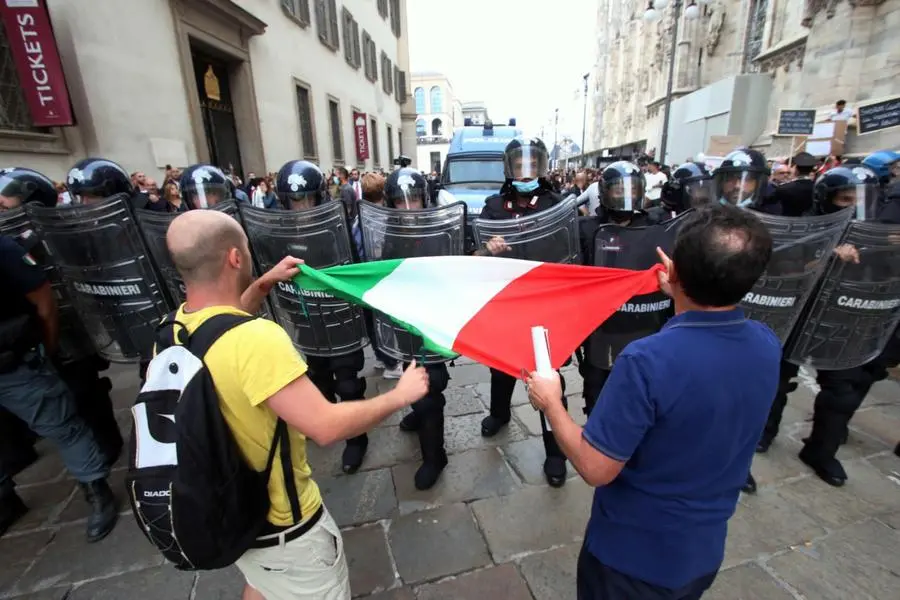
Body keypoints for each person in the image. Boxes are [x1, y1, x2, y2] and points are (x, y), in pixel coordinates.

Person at [164, 209, 428, 599]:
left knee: (261, 583)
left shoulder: (174, 329)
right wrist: (398, 396)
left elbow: (221, 327)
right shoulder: (257, 340)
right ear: (235, 258)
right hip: (285, 526)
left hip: (228, 511)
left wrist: (264, 283)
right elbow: (326, 426)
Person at [527, 204, 778, 600]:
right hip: (702, 551)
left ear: (674, 271)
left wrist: (552, 403)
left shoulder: (647, 361)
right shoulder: (766, 342)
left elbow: (595, 467)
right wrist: (680, 289)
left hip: (630, 558)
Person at [0, 234, 120, 542]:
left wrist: (47, 348)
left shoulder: (4, 249)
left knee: (62, 425)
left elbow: (44, 300)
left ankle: (96, 489)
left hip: (14, 363)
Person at [476, 137, 571, 487]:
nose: (526, 171)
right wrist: (487, 250)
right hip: (506, 302)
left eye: (533, 165)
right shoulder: (493, 207)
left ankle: (556, 451)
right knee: (501, 367)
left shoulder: (557, 206)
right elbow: (474, 255)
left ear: (542, 168)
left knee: (547, 376)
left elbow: (570, 254)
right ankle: (499, 414)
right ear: (509, 168)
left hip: (544, 304)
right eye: (520, 165)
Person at [275, 160, 371, 474]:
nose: (301, 206)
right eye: (294, 201)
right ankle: (325, 420)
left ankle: (357, 439)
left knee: (349, 384)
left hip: (340, 317)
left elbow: (355, 264)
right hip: (306, 319)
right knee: (317, 377)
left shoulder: (337, 226)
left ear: (319, 196)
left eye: (306, 199)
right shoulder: (277, 230)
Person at [372, 168, 455, 490]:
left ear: (425, 200)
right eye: (400, 202)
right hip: (402, 319)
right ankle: (419, 415)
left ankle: (435, 456)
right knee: (412, 376)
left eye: (415, 200)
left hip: (432, 319)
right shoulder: (386, 233)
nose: (408, 208)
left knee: (430, 386)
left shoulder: (440, 230)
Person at [770, 152, 818, 217]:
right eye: (782, 173)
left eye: (788, 172)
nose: (785, 175)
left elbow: (769, 201)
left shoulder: (784, 188)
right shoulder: (817, 187)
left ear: (796, 169)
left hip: (788, 221)